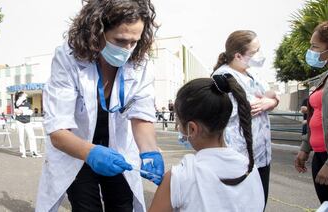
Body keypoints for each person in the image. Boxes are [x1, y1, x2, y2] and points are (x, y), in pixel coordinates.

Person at [36, 1, 163, 211]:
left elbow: (141, 112)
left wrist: (149, 151)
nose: (128, 49)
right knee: (86, 207)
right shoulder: (68, 59)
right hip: (77, 148)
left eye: (134, 41)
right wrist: (91, 153)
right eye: (120, 41)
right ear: (97, 31)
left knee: (123, 205)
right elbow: (58, 131)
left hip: (119, 149)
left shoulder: (141, 63)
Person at [149, 75, 264, 212]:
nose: (177, 128)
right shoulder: (250, 169)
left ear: (192, 128)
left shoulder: (181, 176)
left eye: (178, 124)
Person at [212, 30, 279, 205]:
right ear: (238, 55)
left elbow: (271, 96)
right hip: (240, 158)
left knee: (259, 204)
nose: (260, 55)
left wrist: (270, 102)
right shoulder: (222, 79)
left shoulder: (252, 74)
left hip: (262, 156)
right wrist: (259, 102)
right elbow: (222, 114)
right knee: (242, 206)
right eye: (255, 52)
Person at [295, 21, 328, 203]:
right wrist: (305, 148)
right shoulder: (324, 77)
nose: (311, 51)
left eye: (315, 46)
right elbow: (315, 116)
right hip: (319, 154)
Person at [14, 91, 42, 158]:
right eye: (24, 94)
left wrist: (22, 111)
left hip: (28, 122)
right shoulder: (17, 103)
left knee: (32, 137)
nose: (25, 95)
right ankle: (23, 153)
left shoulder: (28, 103)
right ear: (21, 96)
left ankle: (34, 152)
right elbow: (16, 111)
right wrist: (23, 111)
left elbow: (30, 112)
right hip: (19, 121)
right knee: (21, 137)